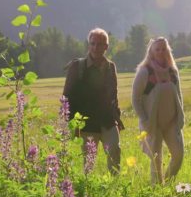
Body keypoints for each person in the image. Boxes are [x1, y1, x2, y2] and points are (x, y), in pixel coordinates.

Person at [63, 28, 124, 175]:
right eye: (93, 43)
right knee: (89, 162)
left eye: (100, 44)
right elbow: (67, 96)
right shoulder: (77, 67)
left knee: (115, 151)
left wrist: (117, 117)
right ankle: (88, 191)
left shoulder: (111, 67)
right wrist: (72, 124)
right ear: (88, 45)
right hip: (87, 123)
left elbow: (113, 96)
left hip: (108, 121)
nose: (96, 47)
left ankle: (114, 188)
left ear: (106, 47)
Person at [132, 37, 184, 185]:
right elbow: (135, 99)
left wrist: (181, 118)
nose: (161, 52)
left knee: (178, 155)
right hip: (152, 124)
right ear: (151, 52)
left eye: (163, 49)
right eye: (157, 49)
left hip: (171, 122)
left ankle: (167, 184)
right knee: (156, 160)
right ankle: (157, 191)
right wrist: (144, 119)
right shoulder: (144, 72)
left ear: (168, 51)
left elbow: (179, 95)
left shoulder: (173, 71)